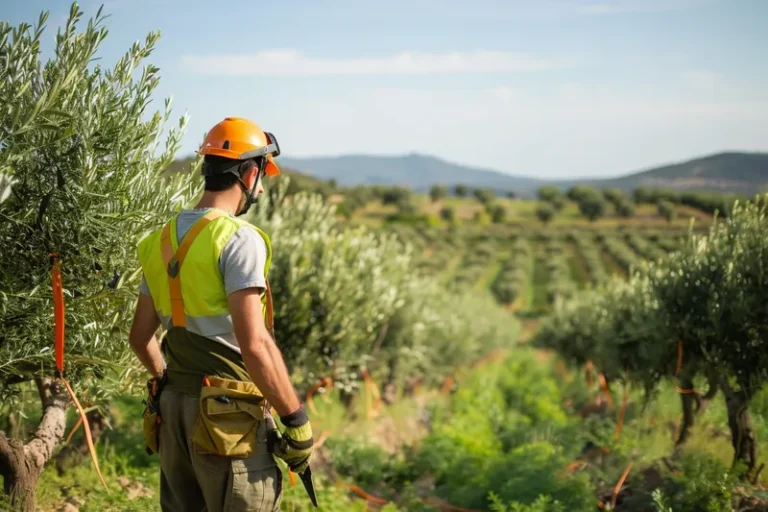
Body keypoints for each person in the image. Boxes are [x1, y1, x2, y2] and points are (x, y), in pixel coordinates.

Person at [128, 117, 313, 512]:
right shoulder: (239, 239)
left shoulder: (158, 241)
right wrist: (295, 418)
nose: (260, 189)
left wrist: (166, 382)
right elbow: (255, 344)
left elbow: (140, 337)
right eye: (261, 177)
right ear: (248, 173)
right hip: (226, 418)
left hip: (173, 410)